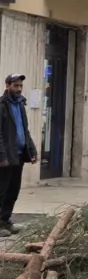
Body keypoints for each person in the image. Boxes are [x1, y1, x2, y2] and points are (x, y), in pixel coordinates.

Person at [0, 74, 37, 236]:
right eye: (16, 85)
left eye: (21, 85)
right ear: (7, 85)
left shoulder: (20, 104)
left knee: (13, 191)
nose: (19, 89)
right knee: (2, 190)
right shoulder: (2, 105)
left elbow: (24, 130)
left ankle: (5, 220)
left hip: (19, 155)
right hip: (6, 157)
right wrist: (2, 156)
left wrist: (32, 150)